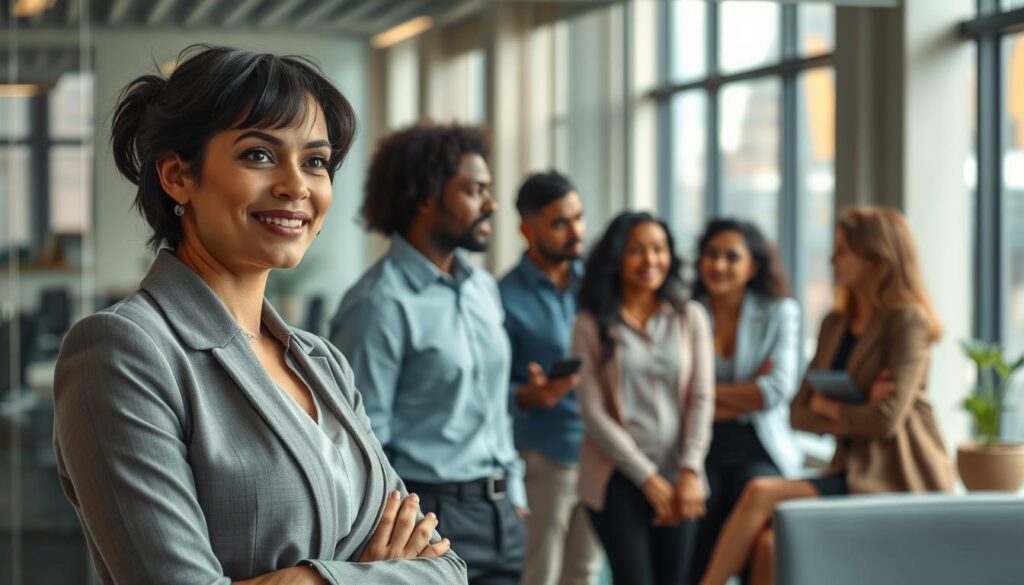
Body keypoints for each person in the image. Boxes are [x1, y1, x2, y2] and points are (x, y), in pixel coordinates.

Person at [52, 46, 466, 585]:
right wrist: (355, 575)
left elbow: (447, 570)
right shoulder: (121, 350)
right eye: (259, 155)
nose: (297, 186)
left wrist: (310, 579)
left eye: (316, 161)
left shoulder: (323, 362)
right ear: (178, 176)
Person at [699, 206, 955, 585]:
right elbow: (798, 412)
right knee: (768, 547)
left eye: (843, 250)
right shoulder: (835, 324)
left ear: (876, 257)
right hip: (848, 472)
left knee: (759, 491)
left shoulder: (907, 321)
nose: (832, 259)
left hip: (896, 476)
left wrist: (829, 406)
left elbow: (885, 422)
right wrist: (859, 404)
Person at [329, 123, 525, 584]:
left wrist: (513, 495)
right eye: (475, 191)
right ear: (425, 195)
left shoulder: (482, 288)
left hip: (503, 515)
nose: (491, 205)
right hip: (429, 517)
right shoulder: (378, 302)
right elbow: (361, 442)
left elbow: (495, 409)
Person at [573, 211, 715, 585]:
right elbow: (593, 413)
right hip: (616, 477)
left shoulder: (690, 316)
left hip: (680, 474)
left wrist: (690, 469)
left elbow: (702, 397)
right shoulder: (590, 323)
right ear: (617, 256)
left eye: (659, 249)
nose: (651, 260)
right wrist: (648, 479)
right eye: (637, 250)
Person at [499, 171, 604, 585]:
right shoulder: (504, 296)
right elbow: (490, 388)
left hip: (598, 451)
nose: (575, 231)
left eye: (578, 218)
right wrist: (527, 396)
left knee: (585, 571)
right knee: (539, 572)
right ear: (528, 228)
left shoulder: (597, 286)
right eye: (560, 223)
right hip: (544, 455)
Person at [689, 219, 803, 584]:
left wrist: (701, 394)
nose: (718, 265)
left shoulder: (779, 312)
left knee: (759, 531)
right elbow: (676, 393)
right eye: (711, 255)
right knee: (695, 521)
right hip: (700, 444)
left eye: (731, 257)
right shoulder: (687, 312)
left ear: (753, 266)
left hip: (758, 446)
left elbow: (774, 391)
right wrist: (748, 390)